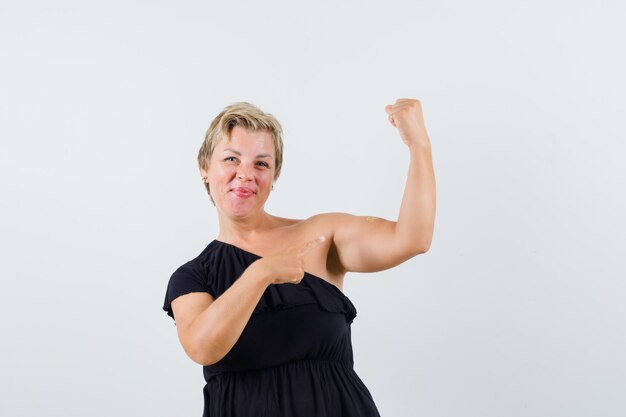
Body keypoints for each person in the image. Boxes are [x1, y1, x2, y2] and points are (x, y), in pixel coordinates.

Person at [162, 99, 436, 417]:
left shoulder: (319, 236)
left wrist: (419, 146)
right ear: (205, 167)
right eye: (231, 159)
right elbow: (202, 347)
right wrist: (259, 274)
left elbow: (413, 239)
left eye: (261, 164)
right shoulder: (193, 276)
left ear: (275, 175)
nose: (245, 174)